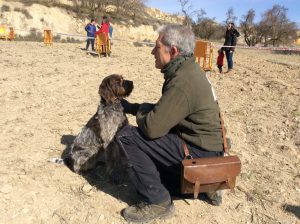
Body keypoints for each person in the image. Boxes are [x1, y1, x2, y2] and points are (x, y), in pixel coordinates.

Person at [116, 24, 224, 223]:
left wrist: (139, 114)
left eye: (156, 46)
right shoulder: (187, 70)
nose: (152, 51)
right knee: (161, 173)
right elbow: (165, 110)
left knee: (126, 136)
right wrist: (132, 107)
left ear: (173, 51)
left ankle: (157, 201)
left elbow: (152, 128)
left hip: (200, 153)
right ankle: (207, 185)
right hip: (209, 150)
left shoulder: (183, 80)